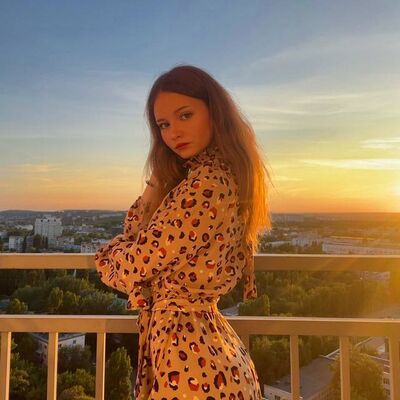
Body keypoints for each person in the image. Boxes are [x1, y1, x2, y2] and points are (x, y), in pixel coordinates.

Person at [94, 64, 273, 400]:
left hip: (192, 366)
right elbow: (137, 232)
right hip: (200, 357)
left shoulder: (205, 186)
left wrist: (106, 257)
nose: (173, 132)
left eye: (185, 115)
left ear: (215, 113)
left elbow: (132, 265)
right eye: (163, 124)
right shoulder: (217, 177)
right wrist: (158, 180)